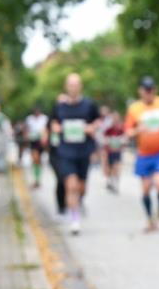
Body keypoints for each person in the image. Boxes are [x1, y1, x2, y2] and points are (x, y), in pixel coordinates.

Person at [49, 75, 100, 235]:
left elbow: (97, 121)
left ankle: (79, 202)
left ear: (80, 86)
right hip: (66, 151)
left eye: (76, 85)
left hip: (84, 150)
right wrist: (56, 128)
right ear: (66, 86)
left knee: (81, 188)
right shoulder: (60, 106)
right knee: (71, 186)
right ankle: (75, 219)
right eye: (70, 85)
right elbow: (53, 123)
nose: (73, 88)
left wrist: (91, 128)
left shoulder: (89, 105)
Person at [125, 76, 159, 232]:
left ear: (155, 89)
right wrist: (137, 131)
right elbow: (128, 131)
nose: (149, 93)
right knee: (146, 189)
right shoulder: (134, 109)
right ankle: (149, 219)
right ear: (140, 91)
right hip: (144, 153)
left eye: (151, 89)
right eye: (146, 90)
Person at [25, 107, 49, 189]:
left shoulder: (44, 118)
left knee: (39, 160)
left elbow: (47, 129)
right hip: (33, 141)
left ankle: (38, 179)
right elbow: (27, 129)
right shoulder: (29, 119)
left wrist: (45, 137)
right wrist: (27, 136)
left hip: (42, 141)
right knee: (35, 159)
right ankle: (36, 179)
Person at [103, 110, 125, 193]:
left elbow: (125, 137)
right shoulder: (109, 129)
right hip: (110, 151)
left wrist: (122, 141)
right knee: (110, 167)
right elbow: (104, 138)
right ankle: (110, 180)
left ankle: (116, 183)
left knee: (117, 166)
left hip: (118, 150)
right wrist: (108, 142)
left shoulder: (121, 128)